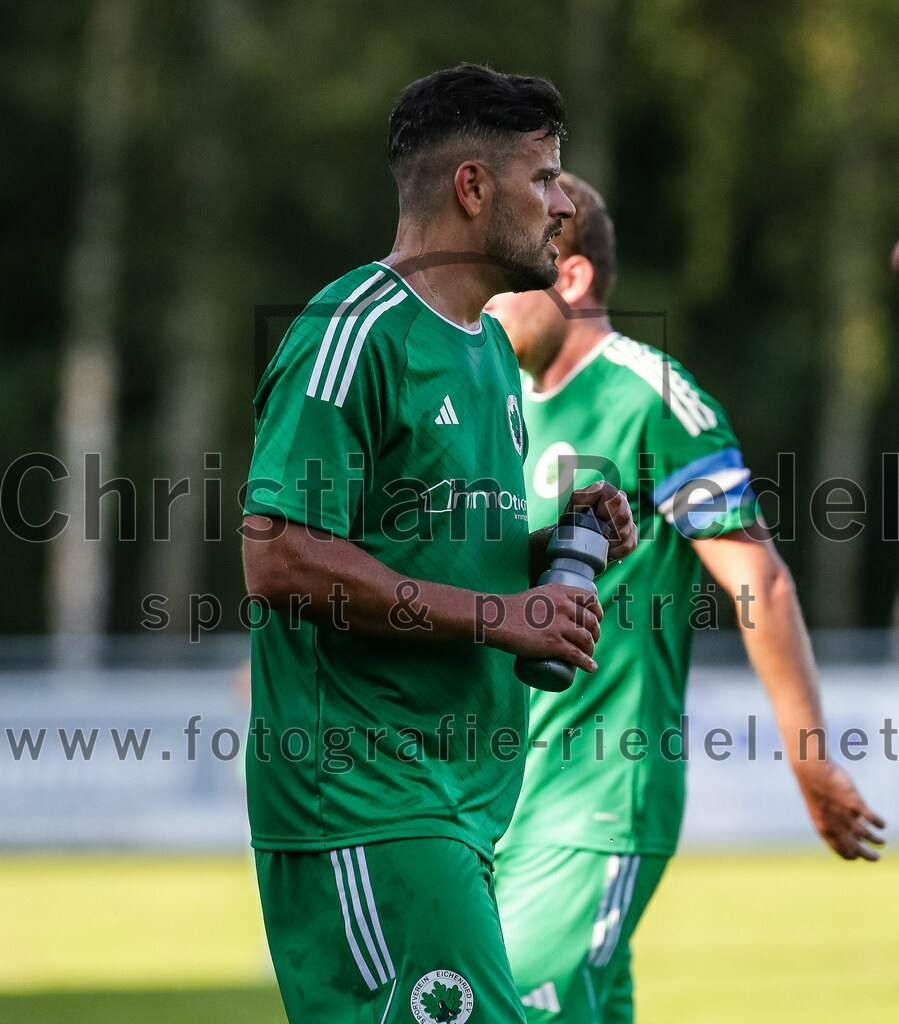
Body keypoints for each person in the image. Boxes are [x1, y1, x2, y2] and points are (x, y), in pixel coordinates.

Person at [241, 69, 637, 1024]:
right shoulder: (356, 328)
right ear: (471, 187)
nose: (560, 206)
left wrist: (552, 550)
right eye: (543, 177)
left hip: (458, 804)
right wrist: (504, 616)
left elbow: (430, 552)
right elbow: (280, 555)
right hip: (367, 796)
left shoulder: (488, 348)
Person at [486, 172, 886, 1023]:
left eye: (510, 276)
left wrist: (810, 756)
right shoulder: (497, 406)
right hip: (497, 794)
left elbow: (760, 581)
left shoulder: (650, 397)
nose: (487, 300)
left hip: (598, 789)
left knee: (504, 1009)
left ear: (572, 277)